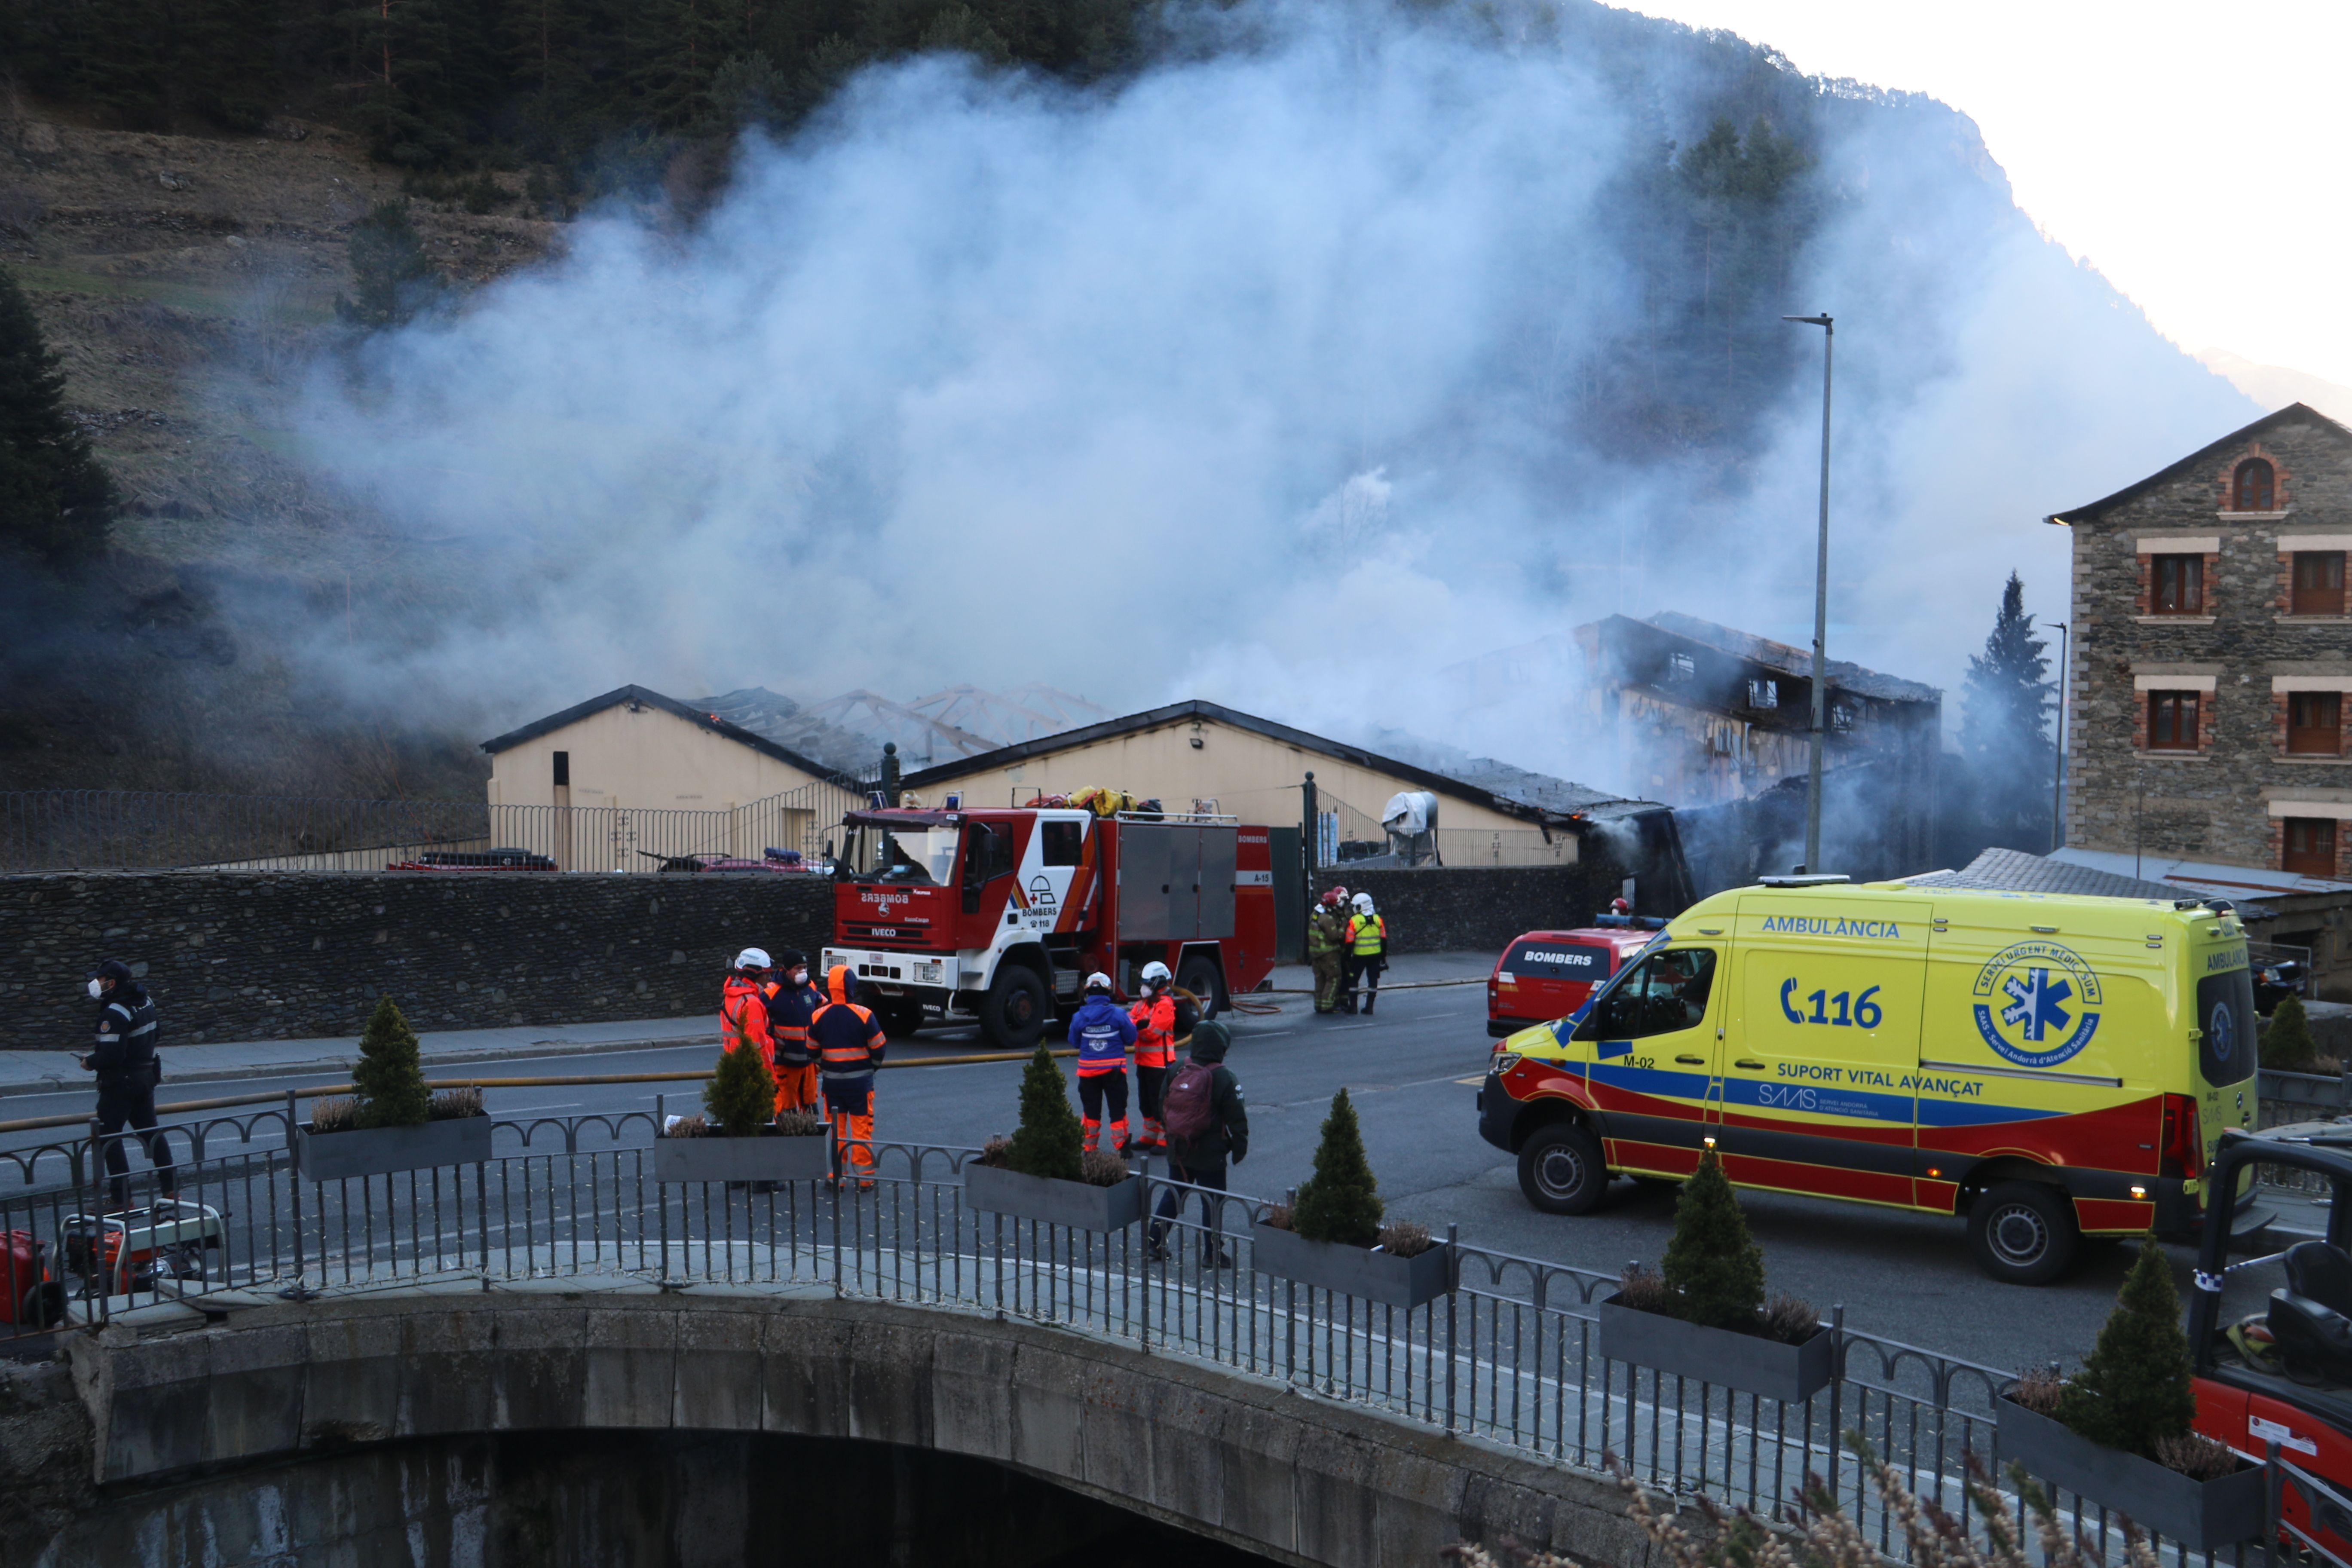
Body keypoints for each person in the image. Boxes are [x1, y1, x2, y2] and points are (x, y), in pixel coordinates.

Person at [1148, 1017, 1248, 1267]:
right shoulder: (1225, 1077)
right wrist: (1238, 1149)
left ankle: (1154, 1242)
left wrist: (1172, 1133)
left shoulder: (1178, 1067)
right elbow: (1237, 1119)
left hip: (1178, 1148)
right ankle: (1212, 1253)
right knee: (1212, 1201)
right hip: (1210, 1154)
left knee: (1173, 1194)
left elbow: (1162, 1104)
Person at [79, 959, 177, 1211]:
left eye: (100, 979)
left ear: (111, 983)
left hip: (121, 1082)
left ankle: (122, 1198)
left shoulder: (115, 1011)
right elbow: (158, 1034)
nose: (96, 983)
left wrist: (90, 1062)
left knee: (109, 1137)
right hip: (146, 1076)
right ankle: (171, 1188)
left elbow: (112, 1055)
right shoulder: (145, 1000)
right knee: (151, 1132)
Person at [811, 965, 888, 1185]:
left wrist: (826, 1067)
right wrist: (871, 1067)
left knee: (836, 1131)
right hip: (860, 1085)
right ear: (852, 987)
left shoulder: (818, 1016)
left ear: (831, 987)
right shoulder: (865, 1015)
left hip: (832, 1085)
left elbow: (812, 1049)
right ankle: (865, 1179)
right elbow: (879, 1047)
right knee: (862, 1130)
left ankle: (836, 1176)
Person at [1070, 972, 1137, 1155]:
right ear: (1108, 993)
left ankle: (1090, 1148)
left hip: (1088, 1074)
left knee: (1091, 1112)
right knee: (1117, 1110)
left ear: (1087, 994)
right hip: (1114, 1072)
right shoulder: (1119, 1014)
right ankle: (1122, 1147)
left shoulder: (1079, 1017)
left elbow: (1074, 1042)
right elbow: (1131, 1038)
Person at [1127, 961, 1181, 1150]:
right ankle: (1150, 1136)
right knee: (1146, 1102)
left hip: (1160, 1065)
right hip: (1144, 1063)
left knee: (1160, 1103)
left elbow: (1152, 1033)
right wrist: (1140, 1024)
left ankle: (1165, 1137)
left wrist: (1137, 1025)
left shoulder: (1165, 1004)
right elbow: (1129, 1021)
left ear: (1157, 983)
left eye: (1147, 984)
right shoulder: (1143, 1005)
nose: (1143, 988)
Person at [763, 950, 823, 1119]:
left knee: (811, 1111)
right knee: (786, 1112)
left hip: (808, 1063)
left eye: (805, 967)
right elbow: (758, 1018)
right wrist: (772, 1040)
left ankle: (811, 1144)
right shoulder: (771, 992)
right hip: (786, 1064)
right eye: (798, 968)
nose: (802, 972)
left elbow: (822, 1008)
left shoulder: (810, 988)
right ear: (787, 970)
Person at [1344, 891, 1388, 1015]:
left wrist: (1347, 958)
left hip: (1359, 957)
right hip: (1375, 956)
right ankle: (1369, 1007)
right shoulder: (1378, 920)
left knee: (1353, 981)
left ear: (1361, 906)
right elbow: (1384, 940)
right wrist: (1383, 957)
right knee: (1373, 982)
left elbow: (1349, 942)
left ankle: (1353, 1008)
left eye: (1356, 906)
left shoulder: (1354, 921)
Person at [1308, 887, 1349, 1015]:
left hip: (1315, 954)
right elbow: (1335, 936)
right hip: (1328, 954)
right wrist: (1343, 926)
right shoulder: (1327, 918)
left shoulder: (1314, 915)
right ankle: (1328, 1006)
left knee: (1320, 980)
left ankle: (1319, 1005)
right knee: (1334, 979)